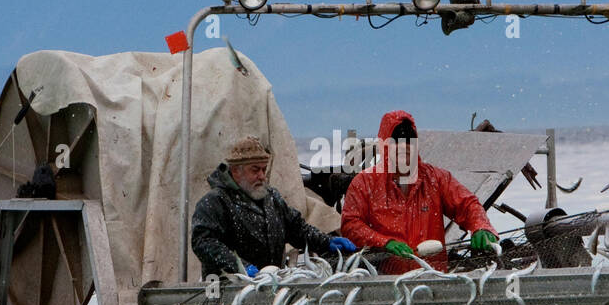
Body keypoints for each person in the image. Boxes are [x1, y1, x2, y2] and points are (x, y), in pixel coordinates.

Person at [342, 110, 498, 272]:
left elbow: (467, 205)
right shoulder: (364, 182)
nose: (404, 146)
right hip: (384, 280)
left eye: (409, 140)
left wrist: (481, 227)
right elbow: (351, 225)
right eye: (396, 141)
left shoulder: (436, 179)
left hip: (433, 278)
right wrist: (384, 242)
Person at [190, 136, 355, 278]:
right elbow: (204, 242)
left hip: (270, 285)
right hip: (228, 292)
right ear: (236, 171)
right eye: (255, 170)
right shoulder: (215, 202)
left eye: (264, 169)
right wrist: (238, 266)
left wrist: (326, 242)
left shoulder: (272, 198)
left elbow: (297, 229)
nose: (262, 176)